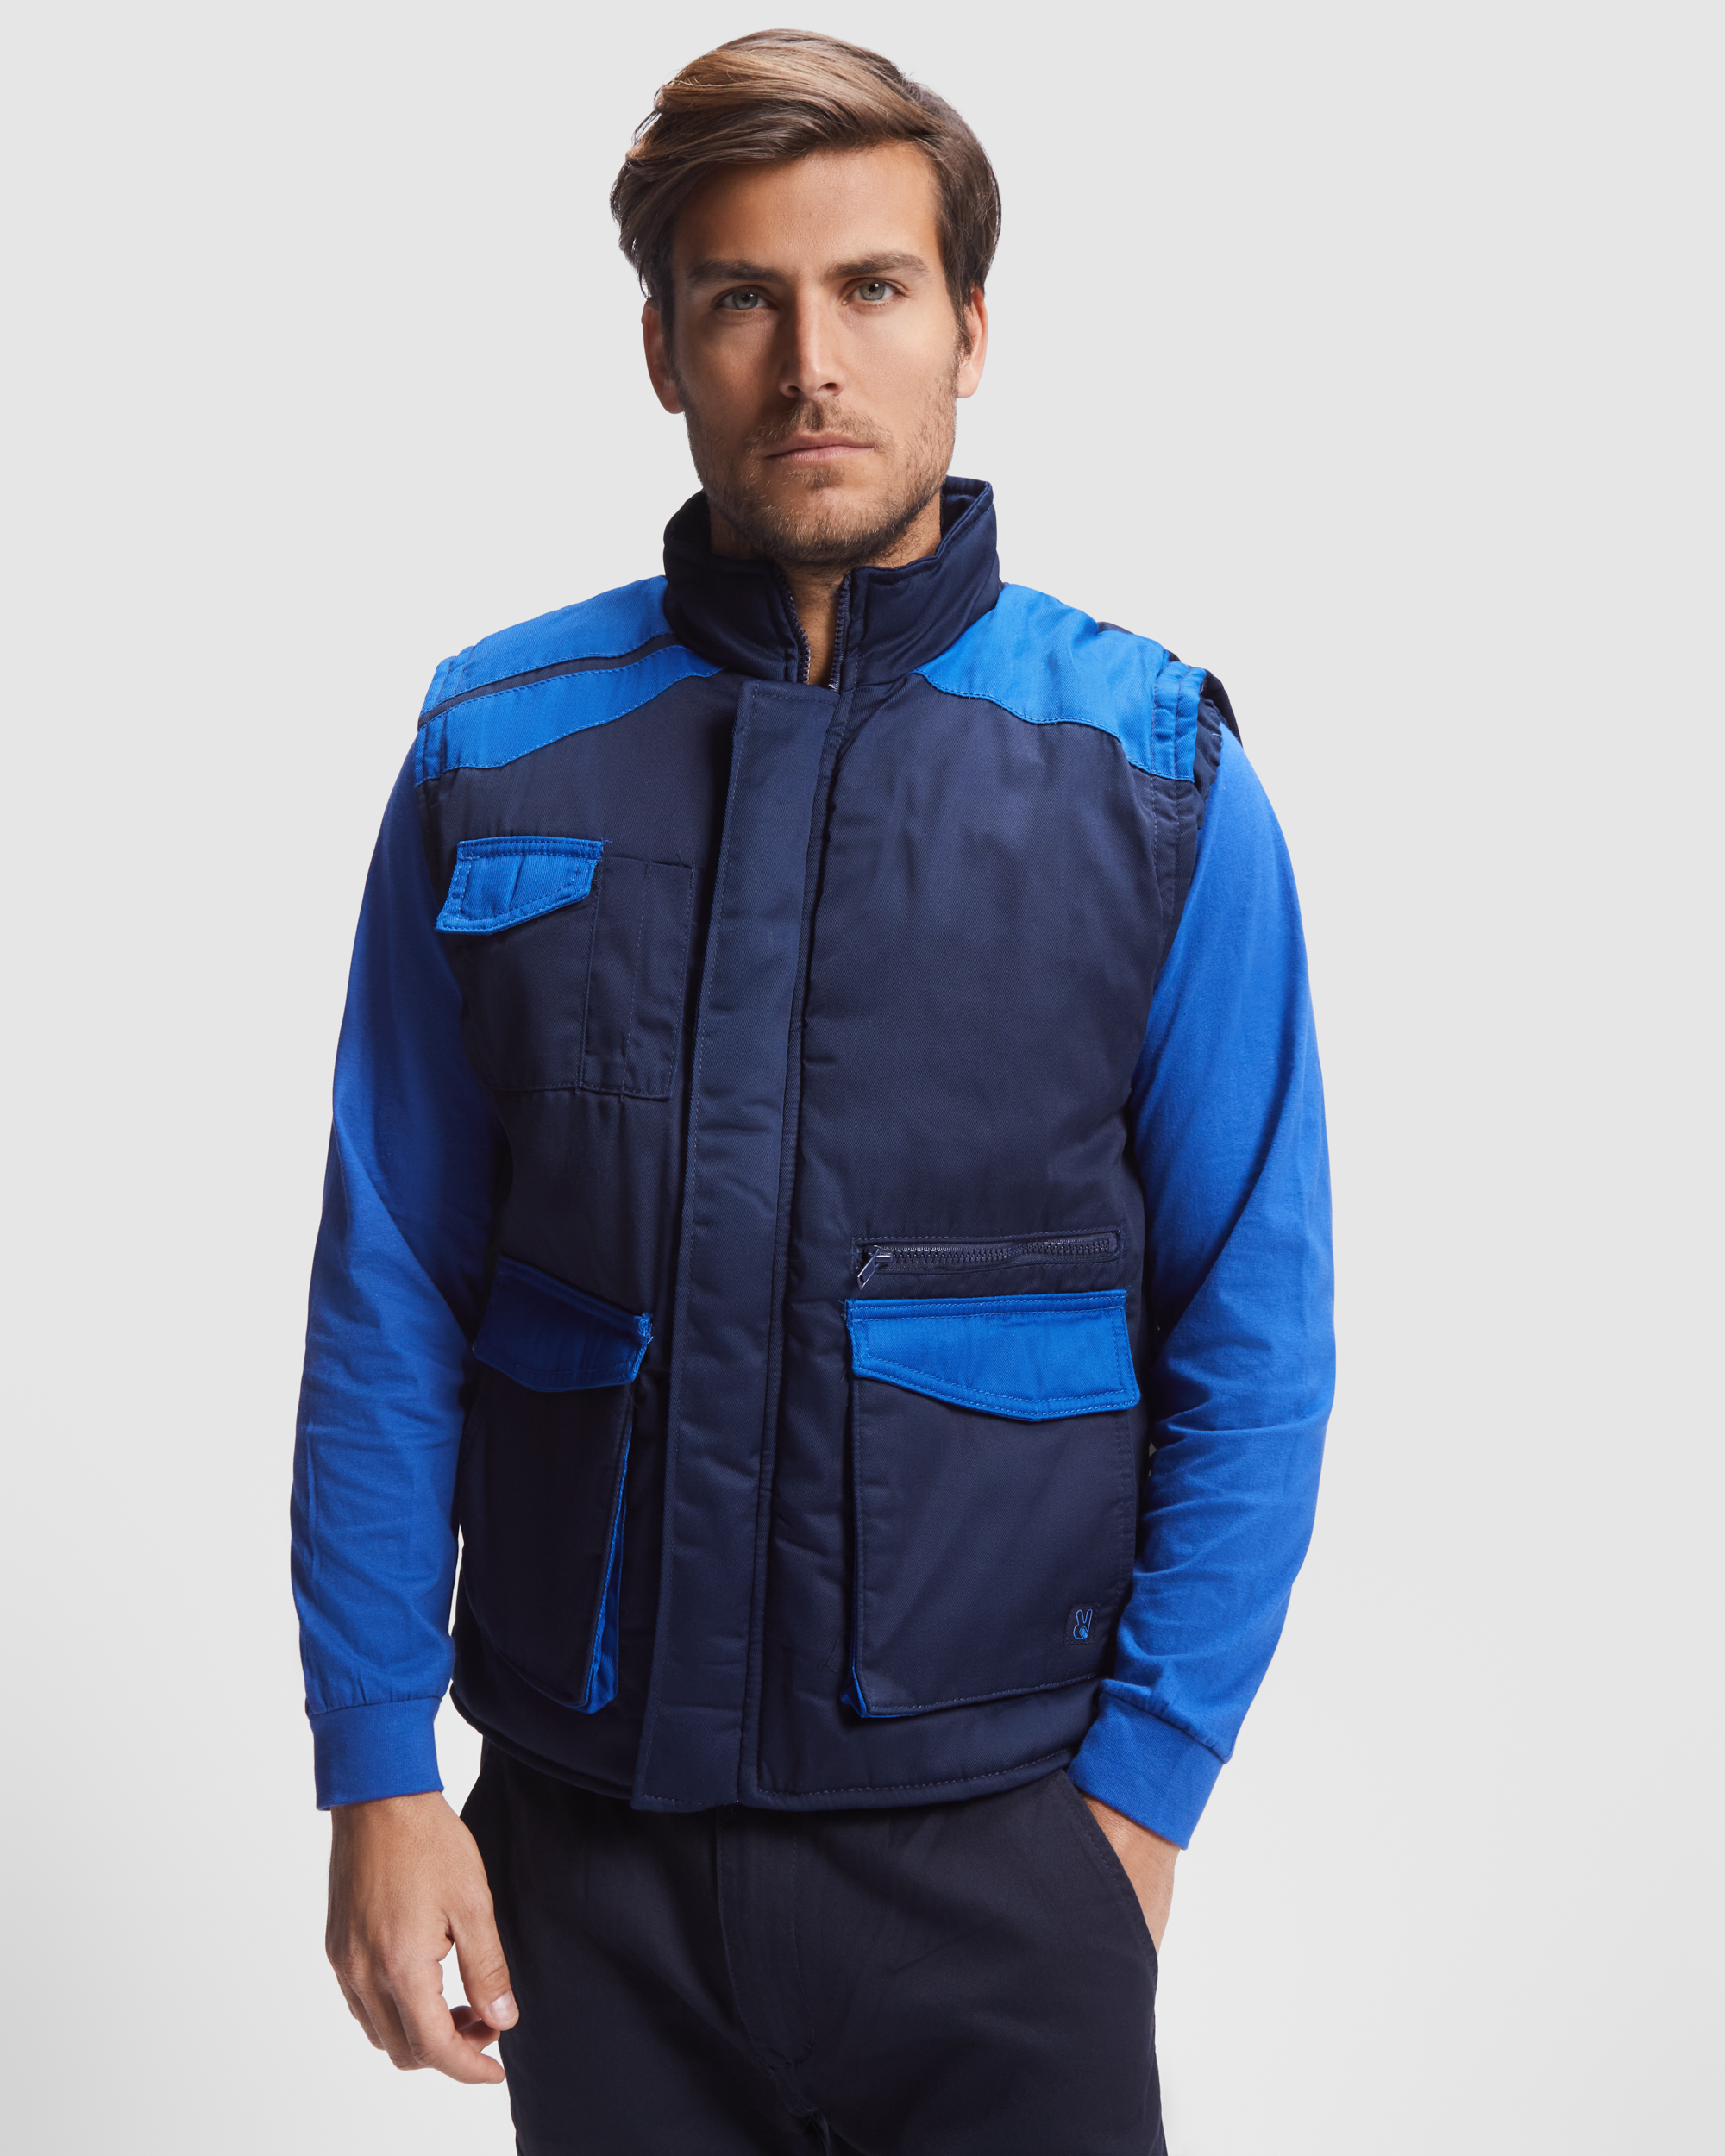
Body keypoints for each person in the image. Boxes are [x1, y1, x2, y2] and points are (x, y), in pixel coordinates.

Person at [293, 28, 1333, 2154]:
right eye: (741, 299)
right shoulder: (493, 753)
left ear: (971, 327)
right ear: (661, 348)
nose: (810, 363)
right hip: (588, 1853)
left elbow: (1255, 1321)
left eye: (870, 287)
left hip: (1000, 1851)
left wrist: (1132, 1810)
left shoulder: (1151, 776)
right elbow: (390, 1282)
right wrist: (377, 1763)